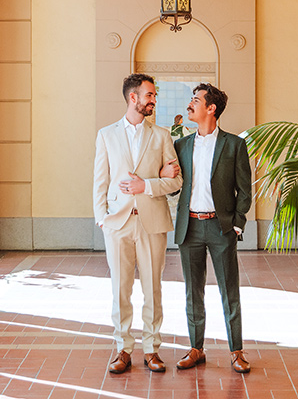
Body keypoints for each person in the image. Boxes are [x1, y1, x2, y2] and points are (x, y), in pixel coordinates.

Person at [93, 73, 182, 374]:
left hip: (152, 223)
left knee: (153, 288)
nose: (153, 100)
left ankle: (151, 349)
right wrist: (101, 218)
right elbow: (100, 180)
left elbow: (176, 180)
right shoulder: (106, 135)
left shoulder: (161, 136)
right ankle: (122, 349)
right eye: (149, 95)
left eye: (153, 95)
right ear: (133, 98)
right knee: (120, 289)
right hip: (117, 224)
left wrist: (147, 185)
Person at [162, 83, 253, 373]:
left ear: (211, 108)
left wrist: (236, 225)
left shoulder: (234, 145)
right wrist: (164, 175)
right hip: (189, 228)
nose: (190, 105)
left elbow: (245, 190)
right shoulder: (182, 145)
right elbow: (175, 187)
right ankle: (196, 348)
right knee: (193, 291)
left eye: (195, 100)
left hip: (221, 228)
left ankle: (236, 351)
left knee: (230, 291)